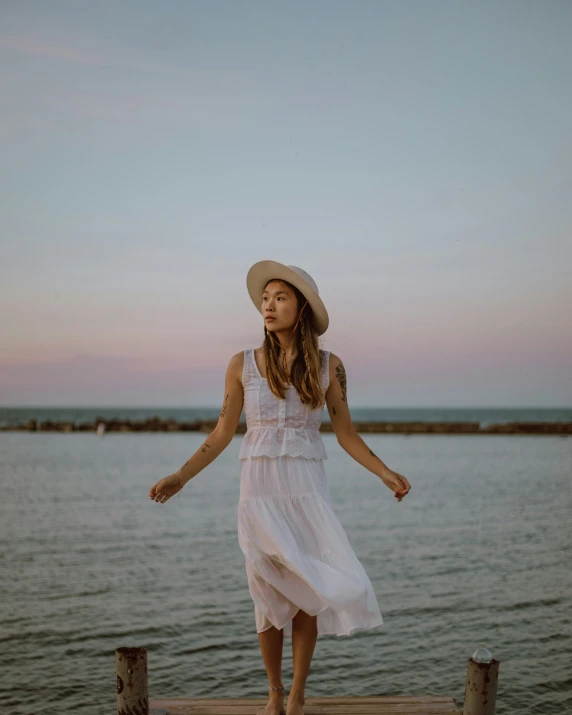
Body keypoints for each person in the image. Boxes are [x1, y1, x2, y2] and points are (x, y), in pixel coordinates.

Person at [149, 260, 411, 715]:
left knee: (306, 588)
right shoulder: (242, 364)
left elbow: (346, 434)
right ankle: (273, 692)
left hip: (306, 489)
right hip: (259, 492)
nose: (268, 305)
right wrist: (180, 477)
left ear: (301, 306)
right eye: (265, 299)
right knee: (266, 592)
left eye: (280, 297)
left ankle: (296, 696)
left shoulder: (330, 366)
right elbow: (220, 433)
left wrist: (385, 472)